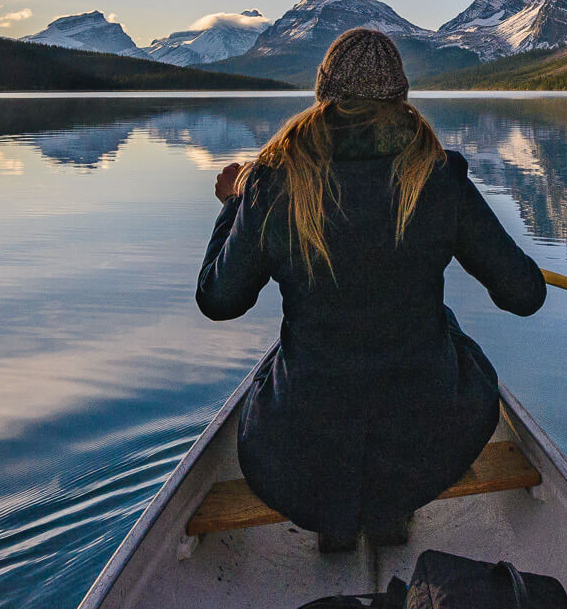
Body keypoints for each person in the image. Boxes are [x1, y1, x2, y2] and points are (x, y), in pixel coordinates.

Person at [196, 27, 546, 553]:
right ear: (400, 96)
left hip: (297, 453)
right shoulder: (440, 176)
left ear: (324, 94)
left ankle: (336, 519)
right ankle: (390, 508)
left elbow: (218, 300)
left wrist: (232, 206)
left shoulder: (273, 182)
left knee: (293, 360)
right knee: (447, 329)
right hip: (426, 444)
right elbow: (524, 294)